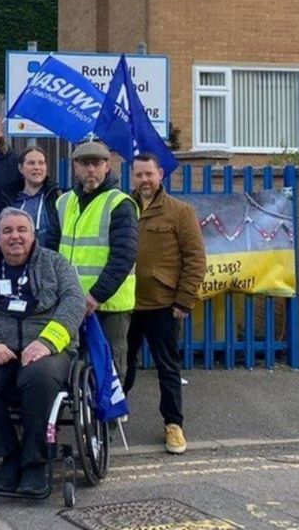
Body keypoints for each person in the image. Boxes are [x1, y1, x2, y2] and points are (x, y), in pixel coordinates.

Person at [0, 207, 85, 494]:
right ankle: (10, 456)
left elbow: (74, 303)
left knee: (37, 378)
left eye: (21, 230)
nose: (15, 236)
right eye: (7, 231)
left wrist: (47, 342)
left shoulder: (56, 264)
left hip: (47, 350)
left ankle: (35, 463)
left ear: (32, 235)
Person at [124, 152, 206, 455]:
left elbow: (196, 259)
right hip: (126, 303)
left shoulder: (180, 212)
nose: (144, 180)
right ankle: (113, 414)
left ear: (161, 174)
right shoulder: (123, 207)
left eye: (149, 174)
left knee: (167, 368)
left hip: (163, 304)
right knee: (122, 364)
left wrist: (184, 300)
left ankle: (173, 425)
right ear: (132, 176)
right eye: (138, 174)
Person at [56, 140, 138, 382]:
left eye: (96, 163)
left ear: (107, 166)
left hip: (108, 305)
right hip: (71, 301)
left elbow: (123, 256)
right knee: (69, 362)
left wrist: (95, 296)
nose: (91, 169)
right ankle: (82, 417)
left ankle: (111, 420)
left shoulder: (120, 203)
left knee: (109, 368)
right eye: (85, 163)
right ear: (75, 167)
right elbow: (50, 251)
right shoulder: (63, 202)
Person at [0, 145, 62, 252]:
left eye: (41, 163)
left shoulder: (57, 196)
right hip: (16, 259)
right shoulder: (8, 198)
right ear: (20, 168)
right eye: (31, 163)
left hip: (49, 261)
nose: (37, 167)